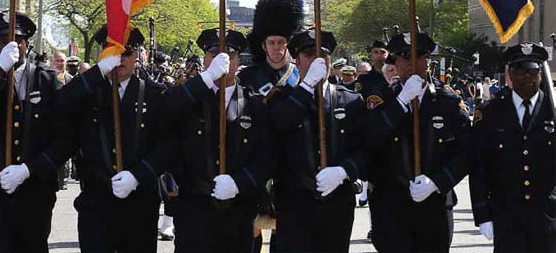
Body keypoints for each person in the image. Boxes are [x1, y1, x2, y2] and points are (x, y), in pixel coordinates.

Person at [34, 25, 172, 253]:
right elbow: (59, 104)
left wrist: (137, 176)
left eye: (126, 53)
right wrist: (97, 72)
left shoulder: (154, 94)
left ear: (136, 55)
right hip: (97, 202)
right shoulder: (87, 93)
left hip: (140, 202)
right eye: (111, 53)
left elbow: (166, 147)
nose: (119, 60)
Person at [165, 28, 274, 253]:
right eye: (214, 55)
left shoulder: (254, 104)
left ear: (237, 62)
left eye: (229, 56)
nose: (222, 62)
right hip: (193, 207)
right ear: (205, 59)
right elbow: (165, 110)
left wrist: (239, 182)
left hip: (238, 208)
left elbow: (266, 156)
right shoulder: (189, 97)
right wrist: (206, 78)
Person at [365, 32, 472, 253]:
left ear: (427, 61)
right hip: (391, 208)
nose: (411, 63)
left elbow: (468, 152)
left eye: (418, 57)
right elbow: (368, 141)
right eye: (404, 58)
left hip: (434, 206)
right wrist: (401, 102)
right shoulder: (380, 100)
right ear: (396, 61)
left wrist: (438, 182)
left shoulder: (448, 102)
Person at [0, 10, 61, 253]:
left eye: (17, 40)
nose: (12, 45)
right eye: (4, 41)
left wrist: (30, 169)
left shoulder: (46, 79)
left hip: (35, 191)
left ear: (27, 44)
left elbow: (62, 136)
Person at [268, 27, 367, 252]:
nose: (317, 61)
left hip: (337, 203)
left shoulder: (350, 101)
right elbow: (278, 128)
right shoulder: (280, 99)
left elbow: (367, 149)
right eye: (309, 55)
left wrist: (344, 171)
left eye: (323, 55)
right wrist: (305, 88)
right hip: (294, 203)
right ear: (297, 60)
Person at [469, 42, 555, 252]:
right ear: (510, 74)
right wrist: (482, 213)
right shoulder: (490, 112)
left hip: (548, 215)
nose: (527, 76)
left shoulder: (552, 110)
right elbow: (479, 166)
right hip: (507, 215)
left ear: (541, 75)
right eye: (521, 70)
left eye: (533, 71)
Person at [238, 0, 303, 98]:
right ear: (264, 46)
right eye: (271, 43)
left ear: (288, 44)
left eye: (281, 42)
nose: (276, 47)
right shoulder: (246, 76)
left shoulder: (300, 75)